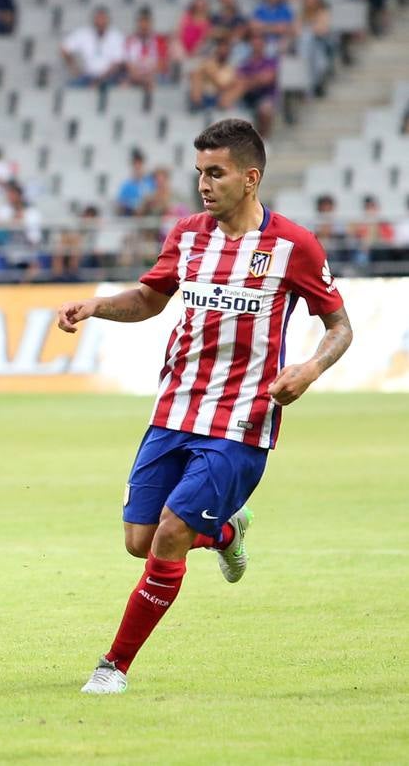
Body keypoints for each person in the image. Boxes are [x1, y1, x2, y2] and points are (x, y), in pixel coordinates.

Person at [56, 118, 352, 695]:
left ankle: (112, 667)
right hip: (174, 411)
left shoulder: (293, 245)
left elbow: (339, 326)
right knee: (138, 541)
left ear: (250, 178)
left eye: (215, 173)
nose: (203, 185)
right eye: (199, 174)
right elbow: (149, 299)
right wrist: (94, 306)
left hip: (241, 422)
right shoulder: (188, 235)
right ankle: (223, 533)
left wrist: (311, 369)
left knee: (168, 533)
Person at [61, 6, 126, 89]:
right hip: (87, 77)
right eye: (98, 19)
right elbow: (64, 48)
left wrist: (99, 80)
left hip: (109, 78)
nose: (100, 22)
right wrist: (75, 69)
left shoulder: (116, 36)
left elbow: (118, 63)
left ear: (108, 20)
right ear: (94, 20)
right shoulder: (84, 34)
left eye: (103, 19)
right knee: (70, 88)